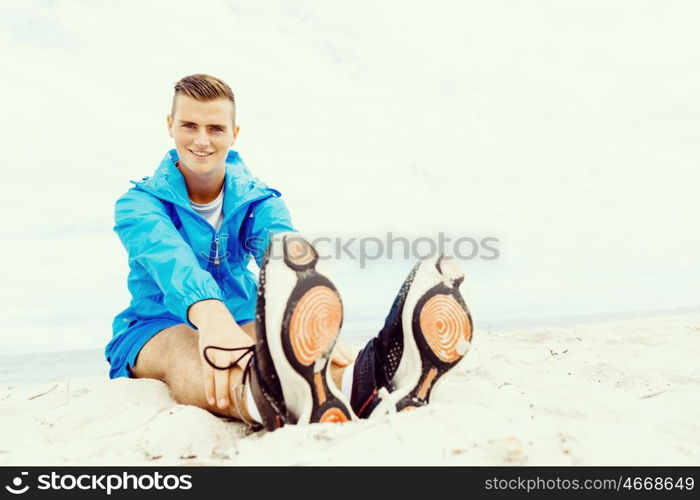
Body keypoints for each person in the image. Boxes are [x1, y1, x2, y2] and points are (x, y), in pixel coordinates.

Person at [106, 74, 474, 430]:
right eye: (189, 125)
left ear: (234, 134)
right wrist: (211, 317)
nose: (201, 139)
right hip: (155, 324)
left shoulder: (258, 200)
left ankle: (364, 384)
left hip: (240, 315)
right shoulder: (138, 205)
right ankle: (261, 400)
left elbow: (282, 250)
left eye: (215, 128)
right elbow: (169, 259)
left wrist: (318, 328)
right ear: (170, 125)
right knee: (188, 347)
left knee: (286, 350)